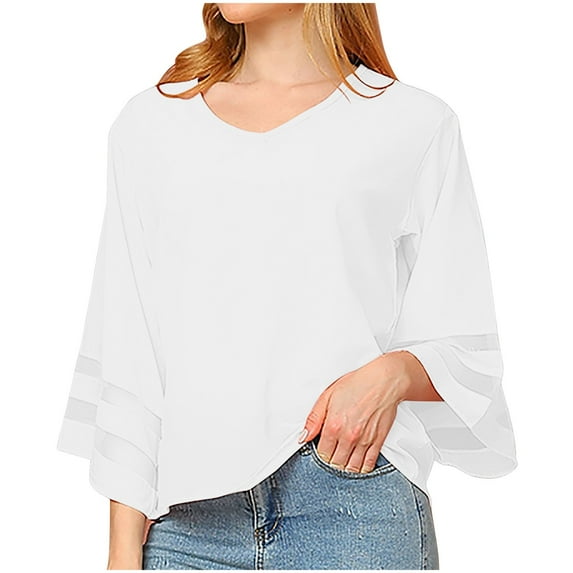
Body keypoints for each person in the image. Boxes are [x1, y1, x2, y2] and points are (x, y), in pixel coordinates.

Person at [56, 3, 518, 570]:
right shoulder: (151, 124)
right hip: (186, 526)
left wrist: (391, 375)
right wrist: (121, 550)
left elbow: (468, 350)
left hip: (352, 505)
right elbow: (130, 345)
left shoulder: (413, 123)